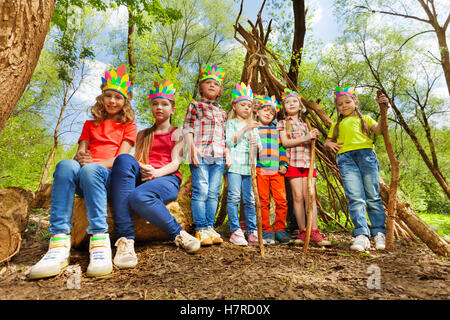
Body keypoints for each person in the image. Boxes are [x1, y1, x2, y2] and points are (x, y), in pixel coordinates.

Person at [28, 64, 137, 279]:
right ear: (101, 99)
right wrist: (81, 158)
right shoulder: (89, 124)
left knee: (90, 170)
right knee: (65, 165)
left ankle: (99, 239)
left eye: (118, 97)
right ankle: (58, 242)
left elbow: (119, 159)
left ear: (125, 102)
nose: (112, 101)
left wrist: (91, 162)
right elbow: (80, 153)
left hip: (104, 176)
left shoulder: (128, 126)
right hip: (86, 170)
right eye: (108, 96)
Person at [110, 80, 201, 268]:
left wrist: (157, 172)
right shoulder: (143, 134)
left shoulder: (178, 133)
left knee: (139, 196)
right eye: (155, 103)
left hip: (166, 178)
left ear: (173, 109)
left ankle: (178, 233)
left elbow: (176, 163)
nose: (159, 107)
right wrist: (143, 168)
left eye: (164, 104)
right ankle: (125, 240)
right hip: (144, 175)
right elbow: (138, 158)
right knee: (123, 160)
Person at [324, 86, 388, 251]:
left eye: (347, 102)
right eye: (339, 104)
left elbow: (380, 130)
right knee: (355, 197)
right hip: (346, 159)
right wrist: (330, 143)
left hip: (366, 156)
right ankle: (361, 234)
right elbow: (327, 142)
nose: (344, 105)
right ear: (336, 107)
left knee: (373, 196)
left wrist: (384, 110)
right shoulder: (337, 124)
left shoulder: (365, 118)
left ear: (356, 102)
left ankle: (379, 233)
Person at [183, 64, 228, 246]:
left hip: (218, 155)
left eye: (215, 84)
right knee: (200, 189)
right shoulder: (195, 105)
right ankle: (200, 227)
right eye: (207, 82)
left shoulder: (222, 113)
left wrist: (227, 154)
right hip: (200, 153)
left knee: (213, 192)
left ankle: (210, 226)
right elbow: (187, 128)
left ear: (219, 91)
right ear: (201, 87)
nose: (211, 85)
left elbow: (224, 135)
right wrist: (192, 149)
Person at [278, 88, 330, 246]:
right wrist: (306, 137)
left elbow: (309, 141)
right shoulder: (282, 123)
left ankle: (314, 231)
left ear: (300, 106)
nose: (291, 104)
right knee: (298, 197)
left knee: (310, 196)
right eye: (287, 102)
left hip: (308, 163)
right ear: (284, 107)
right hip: (293, 162)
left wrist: (312, 136)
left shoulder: (305, 124)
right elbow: (286, 143)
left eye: (294, 101)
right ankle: (302, 231)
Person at [225, 83, 263, 246]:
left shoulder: (254, 126)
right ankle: (235, 230)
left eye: (249, 105)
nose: (247, 108)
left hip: (249, 167)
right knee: (234, 197)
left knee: (250, 199)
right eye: (243, 105)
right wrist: (245, 128)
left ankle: (252, 230)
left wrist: (256, 143)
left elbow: (260, 147)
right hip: (234, 165)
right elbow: (229, 141)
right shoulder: (232, 122)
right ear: (235, 106)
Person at [255, 96, 291, 244]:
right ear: (257, 112)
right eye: (265, 110)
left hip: (276, 171)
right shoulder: (254, 129)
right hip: (261, 170)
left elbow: (282, 149)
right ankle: (266, 229)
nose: (268, 113)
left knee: (281, 200)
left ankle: (280, 229)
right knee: (263, 201)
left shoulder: (277, 130)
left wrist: (284, 164)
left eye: (272, 112)